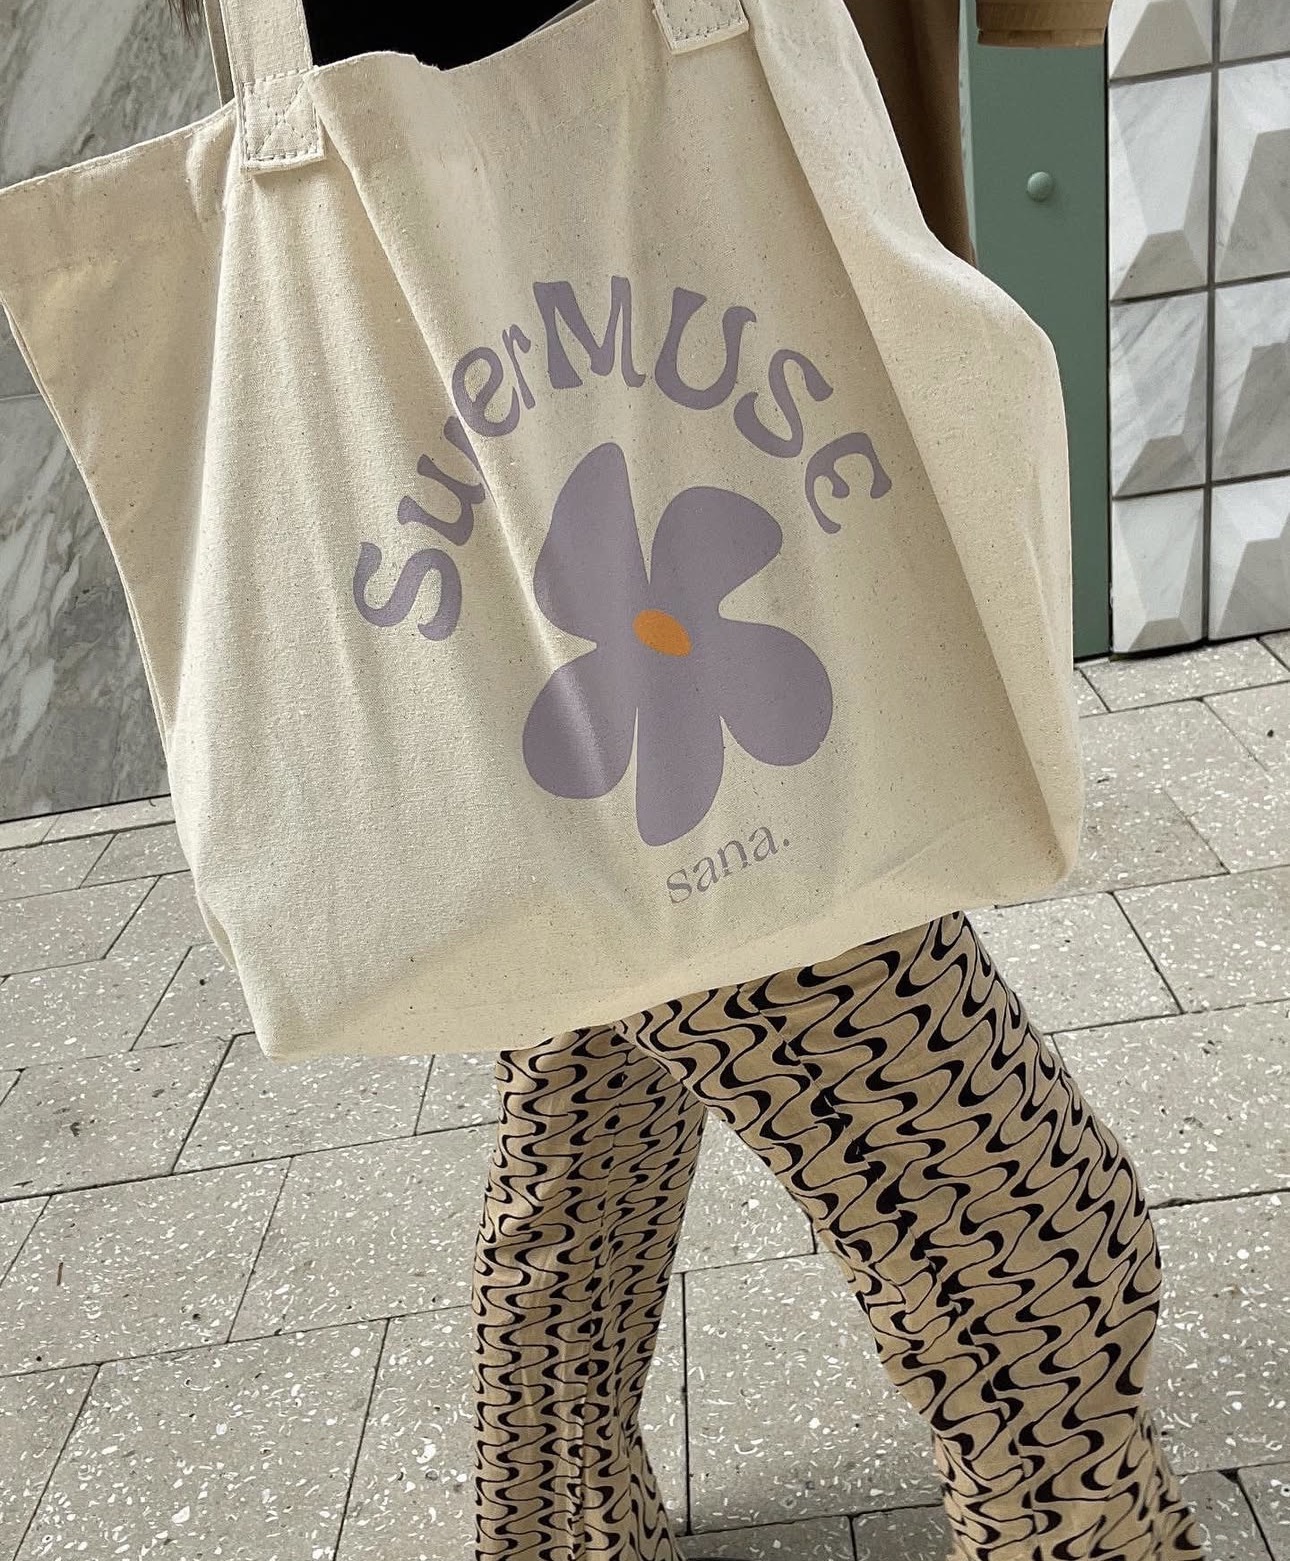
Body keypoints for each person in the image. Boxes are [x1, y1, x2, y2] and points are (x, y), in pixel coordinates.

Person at [162, 4, 1206, 1558]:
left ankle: (554, 1514)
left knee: (608, 1030)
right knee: (1025, 1257)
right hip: (536, 193)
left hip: (548, 213)